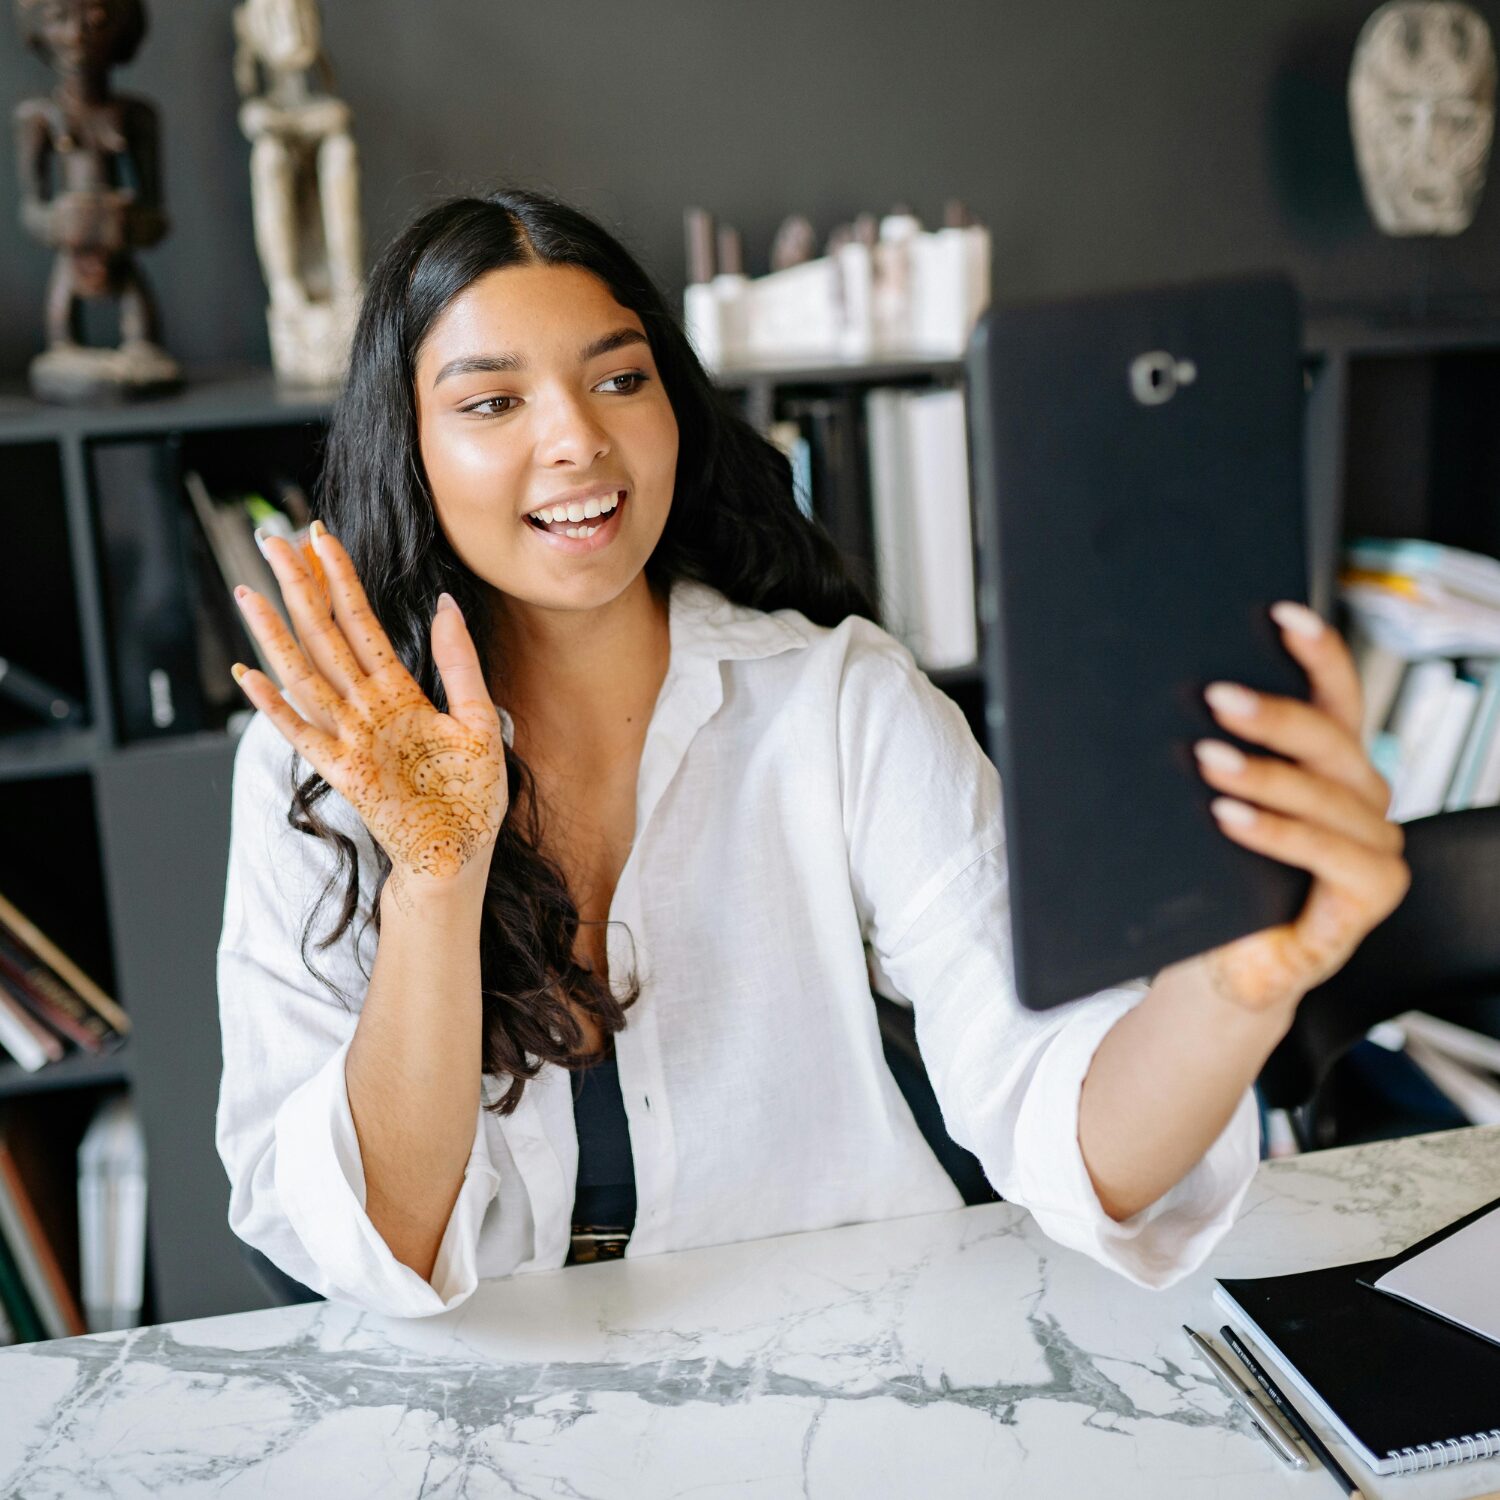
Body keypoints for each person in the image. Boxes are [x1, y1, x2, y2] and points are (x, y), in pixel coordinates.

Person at [214, 188, 1410, 1319]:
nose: (577, 439)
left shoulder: (841, 704)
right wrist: (438, 868)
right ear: (408, 448)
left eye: (618, 378)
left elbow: (1069, 1122)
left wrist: (1239, 984)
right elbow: (380, 1241)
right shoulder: (318, 766)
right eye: (492, 402)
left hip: (843, 1362)